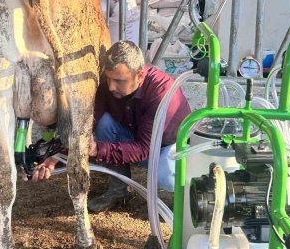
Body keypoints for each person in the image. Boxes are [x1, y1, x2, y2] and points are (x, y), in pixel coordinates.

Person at [28, 40, 192, 213]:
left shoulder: (162, 94)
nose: (111, 86)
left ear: (139, 75)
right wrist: (55, 156)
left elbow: (144, 148)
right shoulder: (108, 85)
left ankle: (187, 201)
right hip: (135, 139)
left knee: (166, 176)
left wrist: (97, 149)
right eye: (109, 78)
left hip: (167, 147)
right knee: (104, 124)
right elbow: (88, 124)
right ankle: (119, 191)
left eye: (119, 81)